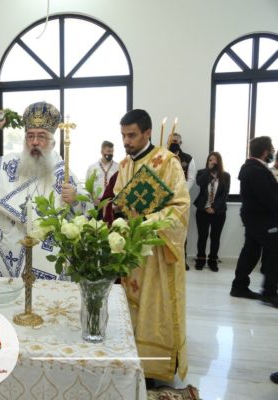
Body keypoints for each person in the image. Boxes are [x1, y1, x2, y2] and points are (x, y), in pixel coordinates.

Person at [0, 102, 80, 279]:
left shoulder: (63, 175)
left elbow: (83, 214)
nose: (35, 142)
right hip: (5, 254)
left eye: (41, 136)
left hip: (44, 260)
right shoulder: (8, 165)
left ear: (53, 142)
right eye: (30, 136)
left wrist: (75, 199)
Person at [113, 109, 189, 382]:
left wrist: (147, 221)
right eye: (123, 135)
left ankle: (153, 368)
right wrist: (119, 211)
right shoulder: (125, 164)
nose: (126, 141)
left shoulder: (167, 162)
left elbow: (180, 207)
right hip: (132, 251)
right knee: (130, 304)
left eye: (132, 135)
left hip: (156, 250)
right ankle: (130, 359)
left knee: (155, 305)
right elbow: (119, 197)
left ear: (147, 133)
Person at [230, 136, 278, 308]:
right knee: (275, 251)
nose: (273, 152)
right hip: (262, 219)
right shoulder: (256, 170)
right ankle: (269, 293)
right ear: (265, 152)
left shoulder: (252, 167)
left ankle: (239, 287)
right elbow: (268, 198)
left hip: (254, 218)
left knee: (251, 251)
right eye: (272, 150)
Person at [193, 152, 230, 271]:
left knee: (215, 237)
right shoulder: (201, 173)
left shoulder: (226, 176)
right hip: (202, 211)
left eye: (215, 160)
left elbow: (224, 194)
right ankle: (200, 259)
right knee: (202, 236)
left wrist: (214, 208)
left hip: (218, 212)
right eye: (210, 160)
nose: (213, 162)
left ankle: (213, 260)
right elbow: (200, 183)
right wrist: (208, 170)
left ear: (219, 161)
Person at [169, 132, 195, 270]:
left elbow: (191, 178)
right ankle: (166, 260)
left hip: (181, 200)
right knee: (165, 229)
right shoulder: (161, 156)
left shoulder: (188, 159)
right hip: (164, 200)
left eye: (176, 141)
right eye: (171, 141)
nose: (173, 143)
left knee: (181, 230)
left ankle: (182, 260)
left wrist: (180, 192)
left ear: (180, 142)